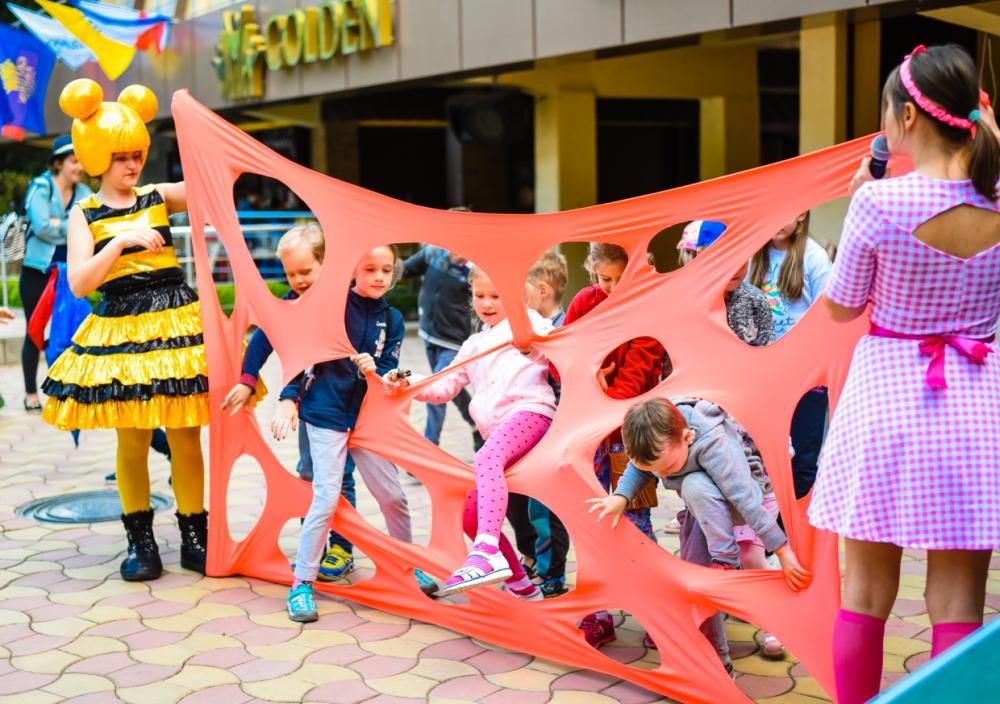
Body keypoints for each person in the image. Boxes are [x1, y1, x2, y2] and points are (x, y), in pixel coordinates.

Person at [808, 44, 1000, 704]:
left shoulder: (881, 203)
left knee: (864, 596)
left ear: (909, 118)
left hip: (886, 405)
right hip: (976, 411)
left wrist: (860, 201)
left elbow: (840, 307)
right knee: (960, 604)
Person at [41, 79, 207, 582]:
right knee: (132, 439)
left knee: (185, 434)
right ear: (97, 156)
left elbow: (210, 186)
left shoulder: (157, 195)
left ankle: (196, 538)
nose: (131, 165)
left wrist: (202, 133)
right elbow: (79, 281)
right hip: (121, 327)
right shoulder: (85, 213)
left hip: (175, 320)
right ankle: (142, 543)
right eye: (120, 157)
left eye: (136, 154)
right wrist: (119, 244)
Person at [587, 398, 812, 672]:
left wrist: (782, 549)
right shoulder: (659, 438)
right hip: (706, 504)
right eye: (658, 470)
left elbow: (744, 498)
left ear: (687, 437)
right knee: (696, 578)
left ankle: (727, 564)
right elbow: (639, 465)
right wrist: (621, 496)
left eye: (668, 467)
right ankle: (716, 662)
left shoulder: (711, 441)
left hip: (750, 492)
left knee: (696, 488)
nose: (664, 474)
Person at [275, 245, 430, 622]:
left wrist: (380, 372)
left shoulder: (392, 318)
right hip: (325, 414)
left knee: (393, 497)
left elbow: (390, 370)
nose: (379, 276)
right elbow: (301, 352)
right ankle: (302, 584)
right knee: (326, 497)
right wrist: (287, 398)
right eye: (370, 268)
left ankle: (406, 566)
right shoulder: (331, 306)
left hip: (367, 419)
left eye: (386, 269)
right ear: (352, 271)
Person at [387, 266, 554, 600]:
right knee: (468, 512)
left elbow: (552, 346)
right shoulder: (474, 344)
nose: (486, 303)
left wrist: (529, 342)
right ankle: (521, 585)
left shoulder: (530, 323)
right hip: (499, 433)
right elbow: (443, 386)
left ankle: (486, 552)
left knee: (486, 458)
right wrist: (408, 383)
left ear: (516, 298)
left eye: (496, 296)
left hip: (531, 414)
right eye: (480, 296)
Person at [221, 223, 360, 582]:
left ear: (325, 266)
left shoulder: (345, 303)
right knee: (309, 473)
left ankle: (343, 546)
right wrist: (248, 380)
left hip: (347, 405)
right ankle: (313, 545)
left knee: (341, 476)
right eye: (290, 274)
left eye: (306, 271)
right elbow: (261, 341)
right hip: (311, 407)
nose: (298, 280)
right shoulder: (288, 305)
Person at [676, 220, 784, 657]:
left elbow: (769, 363)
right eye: (723, 258)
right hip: (701, 438)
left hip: (748, 438)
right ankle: (710, 614)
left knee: (751, 538)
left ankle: (776, 617)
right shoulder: (685, 305)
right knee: (709, 531)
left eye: (742, 257)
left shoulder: (754, 301)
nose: (735, 267)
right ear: (696, 259)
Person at [562, 243, 666, 647]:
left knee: (637, 524)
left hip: (631, 437)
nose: (612, 287)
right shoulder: (585, 301)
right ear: (592, 271)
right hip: (588, 437)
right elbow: (562, 354)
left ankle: (657, 613)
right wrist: (589, 375)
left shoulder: (649, 307)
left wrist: (599, 388)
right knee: (590, 523)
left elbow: (636, 376)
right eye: (604, 279)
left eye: (621, 279)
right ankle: (598, 613)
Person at [749, 212, 832, 499]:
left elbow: (829, 317)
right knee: (763, 455)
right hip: (764, 375)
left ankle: (793, 525)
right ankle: (767, 524)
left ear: (801, 214)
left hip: (806, 378)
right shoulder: (754, 255)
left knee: (802, 459)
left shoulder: (814, 258)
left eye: (784, 213)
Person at [511, 250, 571, 598]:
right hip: (522, 429)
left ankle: (552, 575)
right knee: (515, 499)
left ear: (542, 290)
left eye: (523, 292)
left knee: (544, 508)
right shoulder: (526, 330)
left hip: (553, 434)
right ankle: (532, 556)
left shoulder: (560, 332)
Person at [19, 135, 92, 412]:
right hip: (38, 271)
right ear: (59, 163)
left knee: (74, 330)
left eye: (82, 161)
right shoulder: (41, 186)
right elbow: (40, 226)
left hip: (72, 273)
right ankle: (30, 393)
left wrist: (58, 224)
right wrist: (72, 226)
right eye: (74, 161)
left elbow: (92, 225)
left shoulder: (84, 192)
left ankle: (69, 391)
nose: (80, 167)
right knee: (34, 331)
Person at [401, 221, 481, 450]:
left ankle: (429, 446)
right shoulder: (432, 254)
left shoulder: (472, 271)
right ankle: (476, 427)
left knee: (435, 387)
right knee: (450, 389)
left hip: (454, 342)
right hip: (429, 335)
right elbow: (403, 270)